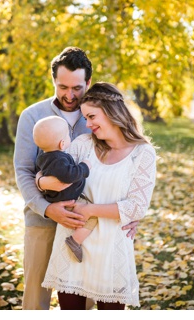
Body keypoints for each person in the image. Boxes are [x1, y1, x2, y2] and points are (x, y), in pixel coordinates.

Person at [14, 46, 140, 310]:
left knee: (87, 294)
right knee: (36, 296)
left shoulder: (99, 116)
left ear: (88, 82)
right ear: (53, 82)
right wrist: (48, 208)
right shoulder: (32, 117)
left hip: (89, 222)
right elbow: (23, 170)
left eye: (76, 88)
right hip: (41, 221)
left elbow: (124, 163)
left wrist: (131, 214)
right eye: (62, 87)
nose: (69, 95)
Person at [41, 82, 157, 309]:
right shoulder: (82, 145)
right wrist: (40, 181)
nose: (87, 124)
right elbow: (53, 172)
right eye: (85, 118)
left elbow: (136, 207)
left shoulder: (143, 154)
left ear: (111, 111)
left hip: (110, 252)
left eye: (92, 116)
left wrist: (90, 210)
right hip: (71, 246)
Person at [32, 115, 96, 263]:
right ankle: (75, 240)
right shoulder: (59, 160)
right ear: (62, 144)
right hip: (66, 199)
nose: (69, 138)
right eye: (67, 136)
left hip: (59, 196)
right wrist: (85, 166)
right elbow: (70, 175)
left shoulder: (44, 157)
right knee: (92, 217)